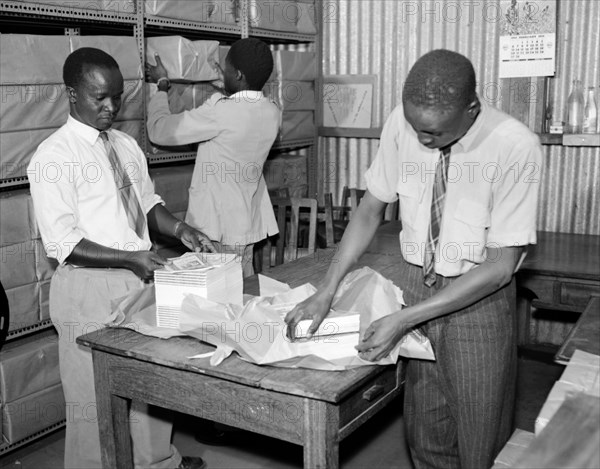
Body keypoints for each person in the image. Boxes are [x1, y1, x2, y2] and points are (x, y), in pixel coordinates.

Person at [285, 49, 542, 469]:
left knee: (480, 442)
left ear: (471, 109)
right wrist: (326, 290)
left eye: (434, 133)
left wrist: (404, 320)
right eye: (415, 127)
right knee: (426, 435)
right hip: (416, 285)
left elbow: (499, 267)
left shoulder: (515, 147)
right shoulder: (403, 123)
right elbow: (370, 210)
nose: (422, 139)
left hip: (477, 302)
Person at [27, 47, 213, 469]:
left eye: (117, 96)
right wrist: (131, 259)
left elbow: (146, 204)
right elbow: (64, 243)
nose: (111, 107)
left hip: (139, 279)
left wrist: (179, 228)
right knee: (92, 400)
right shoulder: (54, 158)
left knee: (150, 385)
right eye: (99, 98)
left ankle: (157, 463)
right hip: (87, 287)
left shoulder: (126, 145)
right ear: (71, 94)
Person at [145, 37, 281, 278]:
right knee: (240, 296)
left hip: (218, 232)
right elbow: (241, 103)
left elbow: (159, 130)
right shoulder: (272, 111)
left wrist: (162, 85)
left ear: (238, 75)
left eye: (226, 69)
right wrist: (224, 78)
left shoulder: (221, 111)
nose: (222, 72)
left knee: (216, 301)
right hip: (245, 227)